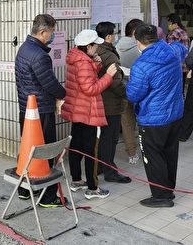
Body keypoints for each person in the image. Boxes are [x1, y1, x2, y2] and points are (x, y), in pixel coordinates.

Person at [126, 24, 184, 208]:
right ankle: (168, 189)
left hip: (153, 117)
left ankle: (160, 196)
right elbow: (182, 48)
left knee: (153, 156)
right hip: (174, 113)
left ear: (138, 41)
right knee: (170, 152)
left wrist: (125, 82)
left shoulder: (141, 65)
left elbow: (134, 95)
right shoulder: (172, 51)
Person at [14, 14, 67, 207]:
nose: (52, 36)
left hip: (26, 109)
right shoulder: (39, 55)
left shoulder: (24, 49)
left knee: (28, 148)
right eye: (51, 32)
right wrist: (63, 94)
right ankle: (48, 196)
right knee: (45, 152)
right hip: (41, 110)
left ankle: (24, 189)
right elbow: (49, 83)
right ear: (43, 32)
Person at [61, 29, 117, 200]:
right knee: (90, 149)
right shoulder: (84, 62)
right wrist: (108, 76)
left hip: (77, 109)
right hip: (87, 111)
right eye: (95, 46)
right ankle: (93, 188)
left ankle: (76, 180)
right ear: (88, 46)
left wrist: (97, 63)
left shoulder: (76, 58)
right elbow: (91, 88)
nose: (98, 48)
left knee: (76, 145)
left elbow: (84, 79)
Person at [95, 22, 131, 184]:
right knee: (110, 138)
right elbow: (116, 82)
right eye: (114, 34)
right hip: (111, 103)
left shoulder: (97, 51)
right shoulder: (109, 55)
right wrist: (128, 94)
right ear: (109, 36)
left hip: (100, 101)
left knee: (103, 137)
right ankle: (110, 170)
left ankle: (101, 166)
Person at [116, 19, 144, 164]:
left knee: (126, 122)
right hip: (140, 91)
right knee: (143, 120)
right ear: (135, 33)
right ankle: (146, 148)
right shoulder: (140, 50)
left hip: (122, 89)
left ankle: (132, 153)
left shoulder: (116, 47)